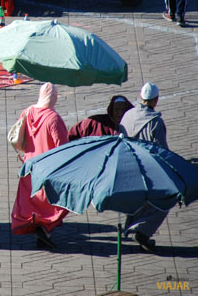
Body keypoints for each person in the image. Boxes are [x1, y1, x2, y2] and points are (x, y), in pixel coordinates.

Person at [11, 82, 69, 248]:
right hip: (49, 168)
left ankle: (40, 230)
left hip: (29, 166)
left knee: (33, 202)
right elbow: (62, 147)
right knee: (56, 203)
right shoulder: (53, 118)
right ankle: (45, 229)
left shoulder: (29, 111)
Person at [119, 82, 169, 253]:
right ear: (156, 100)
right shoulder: (156, 121)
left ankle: (133, 226)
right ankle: (143, 231)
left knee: (136, 200)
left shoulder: (127, 115)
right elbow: (161, 150)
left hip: (128, 166)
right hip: (149, 168)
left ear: (141, 97)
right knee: (164, 201)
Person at [67, 95, 133, 141]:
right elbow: (72, 134)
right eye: (117, 109)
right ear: (111, 110)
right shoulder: (95, 123)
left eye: (123, 110)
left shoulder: (133, 124)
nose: (120, 113)